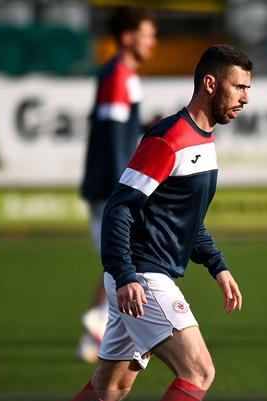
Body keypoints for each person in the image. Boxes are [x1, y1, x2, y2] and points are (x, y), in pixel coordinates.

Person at [16, 44, 252, 401]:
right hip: (144, 276)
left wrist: (218, 265)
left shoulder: (202, 140)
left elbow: (187, 222)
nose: (246, 97)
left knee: (109, 390)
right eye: (240, 86)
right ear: (210, 83)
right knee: (198, 370)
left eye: (249, 88)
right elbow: (120, 207)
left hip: (146, 275)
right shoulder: (169, 139)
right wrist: (124, 274)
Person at [79, 6, 157, 363]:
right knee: (127, 262)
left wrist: (145, 128)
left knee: (117, 261)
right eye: (147, 34)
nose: (153, 41)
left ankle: (94, 335)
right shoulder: (118, 76)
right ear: (127, 38)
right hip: (111, 188)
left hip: (112, 185)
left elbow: (118, 131)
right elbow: (111, 137)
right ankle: (102, 327)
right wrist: (122, 193)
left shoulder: (124, 75)